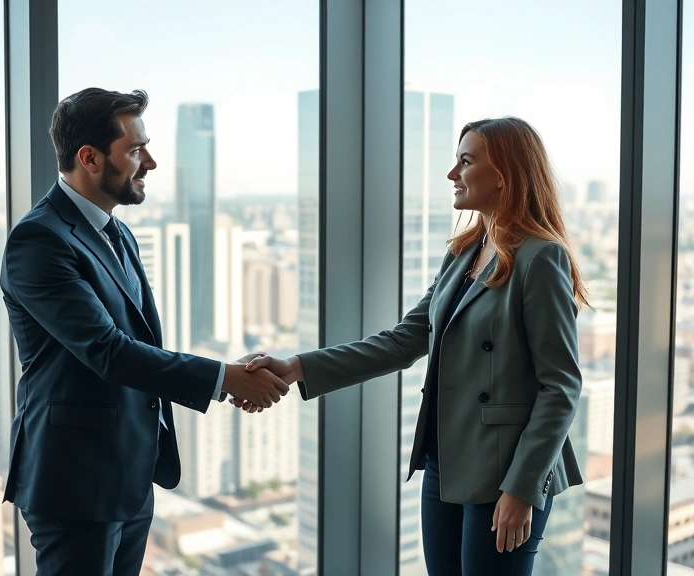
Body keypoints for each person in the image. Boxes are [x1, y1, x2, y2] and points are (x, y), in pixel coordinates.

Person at [242, 117, 587, 576]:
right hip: (446, 461)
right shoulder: (465, 251)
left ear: (503, 174)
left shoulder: (542, 256)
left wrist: (522, 489)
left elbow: (560, 385)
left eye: (465, 161)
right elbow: (404, 340)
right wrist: (297, 367)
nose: (452, 174)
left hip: (507, 472)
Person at [0, 87, 289, 576]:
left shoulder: (116, 231)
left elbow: (139, 342)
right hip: (75, 481)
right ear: (89, 158)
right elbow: (108, 351)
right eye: (135, 150)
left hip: (129, 473)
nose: (150, 162)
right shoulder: (38, 241)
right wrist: (226, 379)